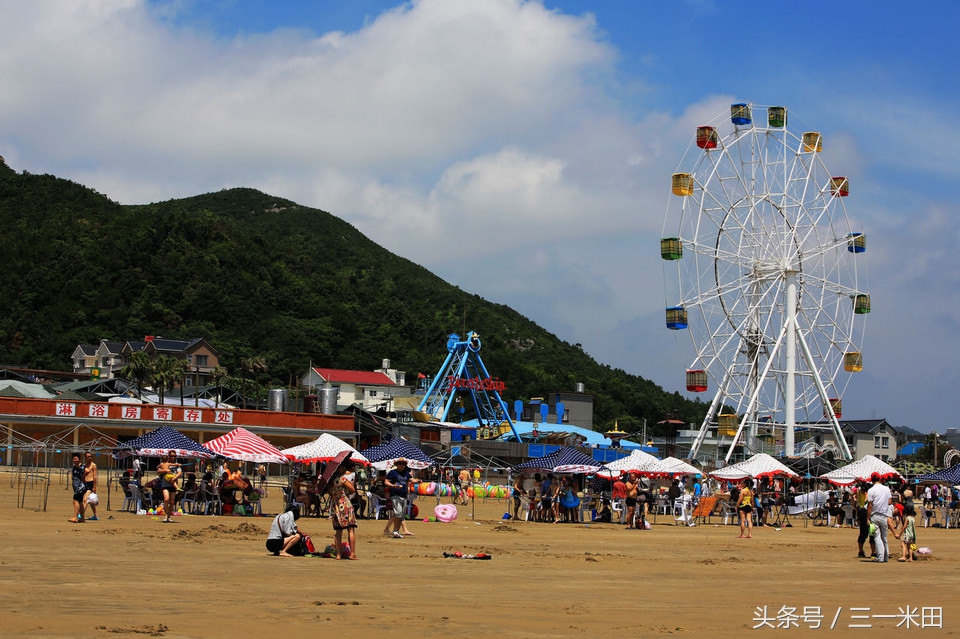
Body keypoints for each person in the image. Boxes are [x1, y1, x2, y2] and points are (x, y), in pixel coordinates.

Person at [328, 460, 358, 559]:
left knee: (338, 531)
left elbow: (330, 493)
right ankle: (352, 553)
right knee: (351, 529)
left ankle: (338, 554)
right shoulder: (342, 479)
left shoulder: (330, 481)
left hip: (336, 506)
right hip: (344, 504)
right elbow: (353, 490)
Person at [384, 458, 419, 538]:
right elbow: (386, 482)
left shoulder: (406, 473)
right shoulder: (393, 472)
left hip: (404, 496)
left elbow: (412, 480)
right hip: (395, 495)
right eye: (400, 464)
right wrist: (393, 486)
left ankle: (396, 531)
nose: (402, 465)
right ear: (397, 465)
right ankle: (395, 531)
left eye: (403, 464)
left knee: (401, 515)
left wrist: (417, 481)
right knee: (398, 513)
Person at [866, 472, 892, 563]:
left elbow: (870, 505)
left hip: (875, 515)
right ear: (880, 479)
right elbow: (889, 502)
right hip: (884, 515)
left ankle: (880, 557)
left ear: (872, 480)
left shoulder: (871, 490)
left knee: (877, 537)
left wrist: (868, 518)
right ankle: (886, 557)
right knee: (884, 537)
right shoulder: (886, 489)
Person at [156, 450, 182, 523]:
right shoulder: (164, 463)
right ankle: (166, 515)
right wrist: (165, 470)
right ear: (168, 457)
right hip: (165, 484)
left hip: (173, 484)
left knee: (172, 501)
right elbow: (158, 470)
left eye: (174, 456)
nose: (173, 457)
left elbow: (179, 473)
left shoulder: (176, 465)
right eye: (171, 456)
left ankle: (169, 516)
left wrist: (173, 479)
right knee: (166, 499)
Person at [856, 483, 875, 559]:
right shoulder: (869, 493)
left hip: (864, 511)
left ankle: (865, 551)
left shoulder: (867, 493)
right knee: (870, 533)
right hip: (866, 512)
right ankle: (872, 552)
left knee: (866, 533)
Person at [68, 453, 87, 523]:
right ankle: (82, 518)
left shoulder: (82, 466)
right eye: (73, 459)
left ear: (79, 459)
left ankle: (75, 517)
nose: (74, 460)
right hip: (76, 487)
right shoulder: (74, 467)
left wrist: (83, 477)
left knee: (75, 501)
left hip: (80, 487)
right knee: (80, 502)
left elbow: (87, 471)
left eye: (76, 459)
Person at [83, 452, 99, 521]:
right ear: (85, 458)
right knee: (91, 501)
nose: (90, 458)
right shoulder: (84, 465)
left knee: (85, 499)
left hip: (91, 483)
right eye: (88, 457)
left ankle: (81, 514)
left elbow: (95, 476)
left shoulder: (93, 465)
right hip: (85, 483)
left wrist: (94, 486)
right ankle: (95, 516)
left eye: (90, 456)